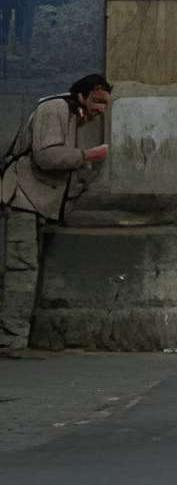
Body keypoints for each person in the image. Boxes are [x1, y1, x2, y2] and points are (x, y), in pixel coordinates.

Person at [0, 73, 110, 359]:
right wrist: (88, 155)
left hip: (37, 201)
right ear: (83, 95)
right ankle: (10, 340)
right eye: (97, 101)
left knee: (24, 269)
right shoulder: (55, 110)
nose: (101, 110)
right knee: (21, 270)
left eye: (104, 105)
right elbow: (47, 157)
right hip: (23, 197)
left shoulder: (74, 115)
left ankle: (14, 337)